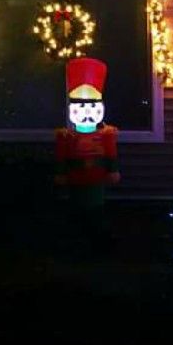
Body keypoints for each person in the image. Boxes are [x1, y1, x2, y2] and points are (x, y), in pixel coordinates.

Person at [55, 57, 120, 245]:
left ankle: (96, 239)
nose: (87, 111)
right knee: (77, 208)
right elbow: (62, 155)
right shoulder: (68, 137)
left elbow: (110, 153)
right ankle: (78, 240)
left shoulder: (105, 135)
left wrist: (113, 170)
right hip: (76, 178)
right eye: (81, 106)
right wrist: (60, 172)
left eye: (92, 106)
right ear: (72, 109)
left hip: (97, 179)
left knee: (96, 209)